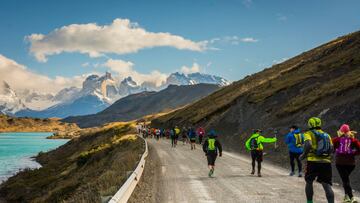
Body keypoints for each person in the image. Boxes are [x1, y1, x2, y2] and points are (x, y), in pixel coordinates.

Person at [300, 117, 334, 203]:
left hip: (312, 161)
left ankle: (309, 201)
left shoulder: (308, 133)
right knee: (327, 185)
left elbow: (308, 145)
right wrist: (327, 157)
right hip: (326, 162)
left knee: (309, 181)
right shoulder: (327, 135)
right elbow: (331, 148)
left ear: (310, 124)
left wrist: (303, 155)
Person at [332, 124, 360, 203]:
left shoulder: (336, 140)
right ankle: (346, 197)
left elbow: (332, 149)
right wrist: (353, 153)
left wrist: (337, 151)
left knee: (345, 181)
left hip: (340, 163)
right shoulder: (353, 140)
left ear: (340, 131)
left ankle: (351, 198)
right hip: (351, 164)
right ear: (348, 131)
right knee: (345, 180)